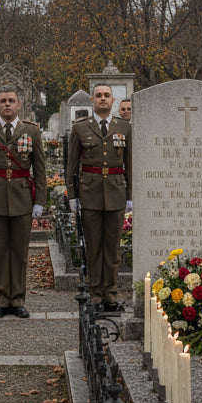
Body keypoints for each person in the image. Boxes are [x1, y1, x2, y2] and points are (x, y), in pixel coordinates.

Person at [0, 86, 47, 318]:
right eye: (3, 101)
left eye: (11, 101)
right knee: (0, 251)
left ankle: (18, 299)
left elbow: (40, 169)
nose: (7, 104)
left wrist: (40, 201)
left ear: (19, 104)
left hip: (22, 198)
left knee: (19, 251)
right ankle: (2, 299)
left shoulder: (32, 132)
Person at [66, 84, 132, 310]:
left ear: (113, 100)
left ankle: (111, 294)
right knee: (93, 246)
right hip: (90, 192)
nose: (103, 99)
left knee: (112, 247)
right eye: (99, 96)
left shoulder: (125, 127)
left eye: (106, 96)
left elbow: (130, 165)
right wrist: (73, 196)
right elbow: (72, 166)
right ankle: (95, 294)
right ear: (92, 100)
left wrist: (130, 196)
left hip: (116, 191)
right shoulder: (80, 128)